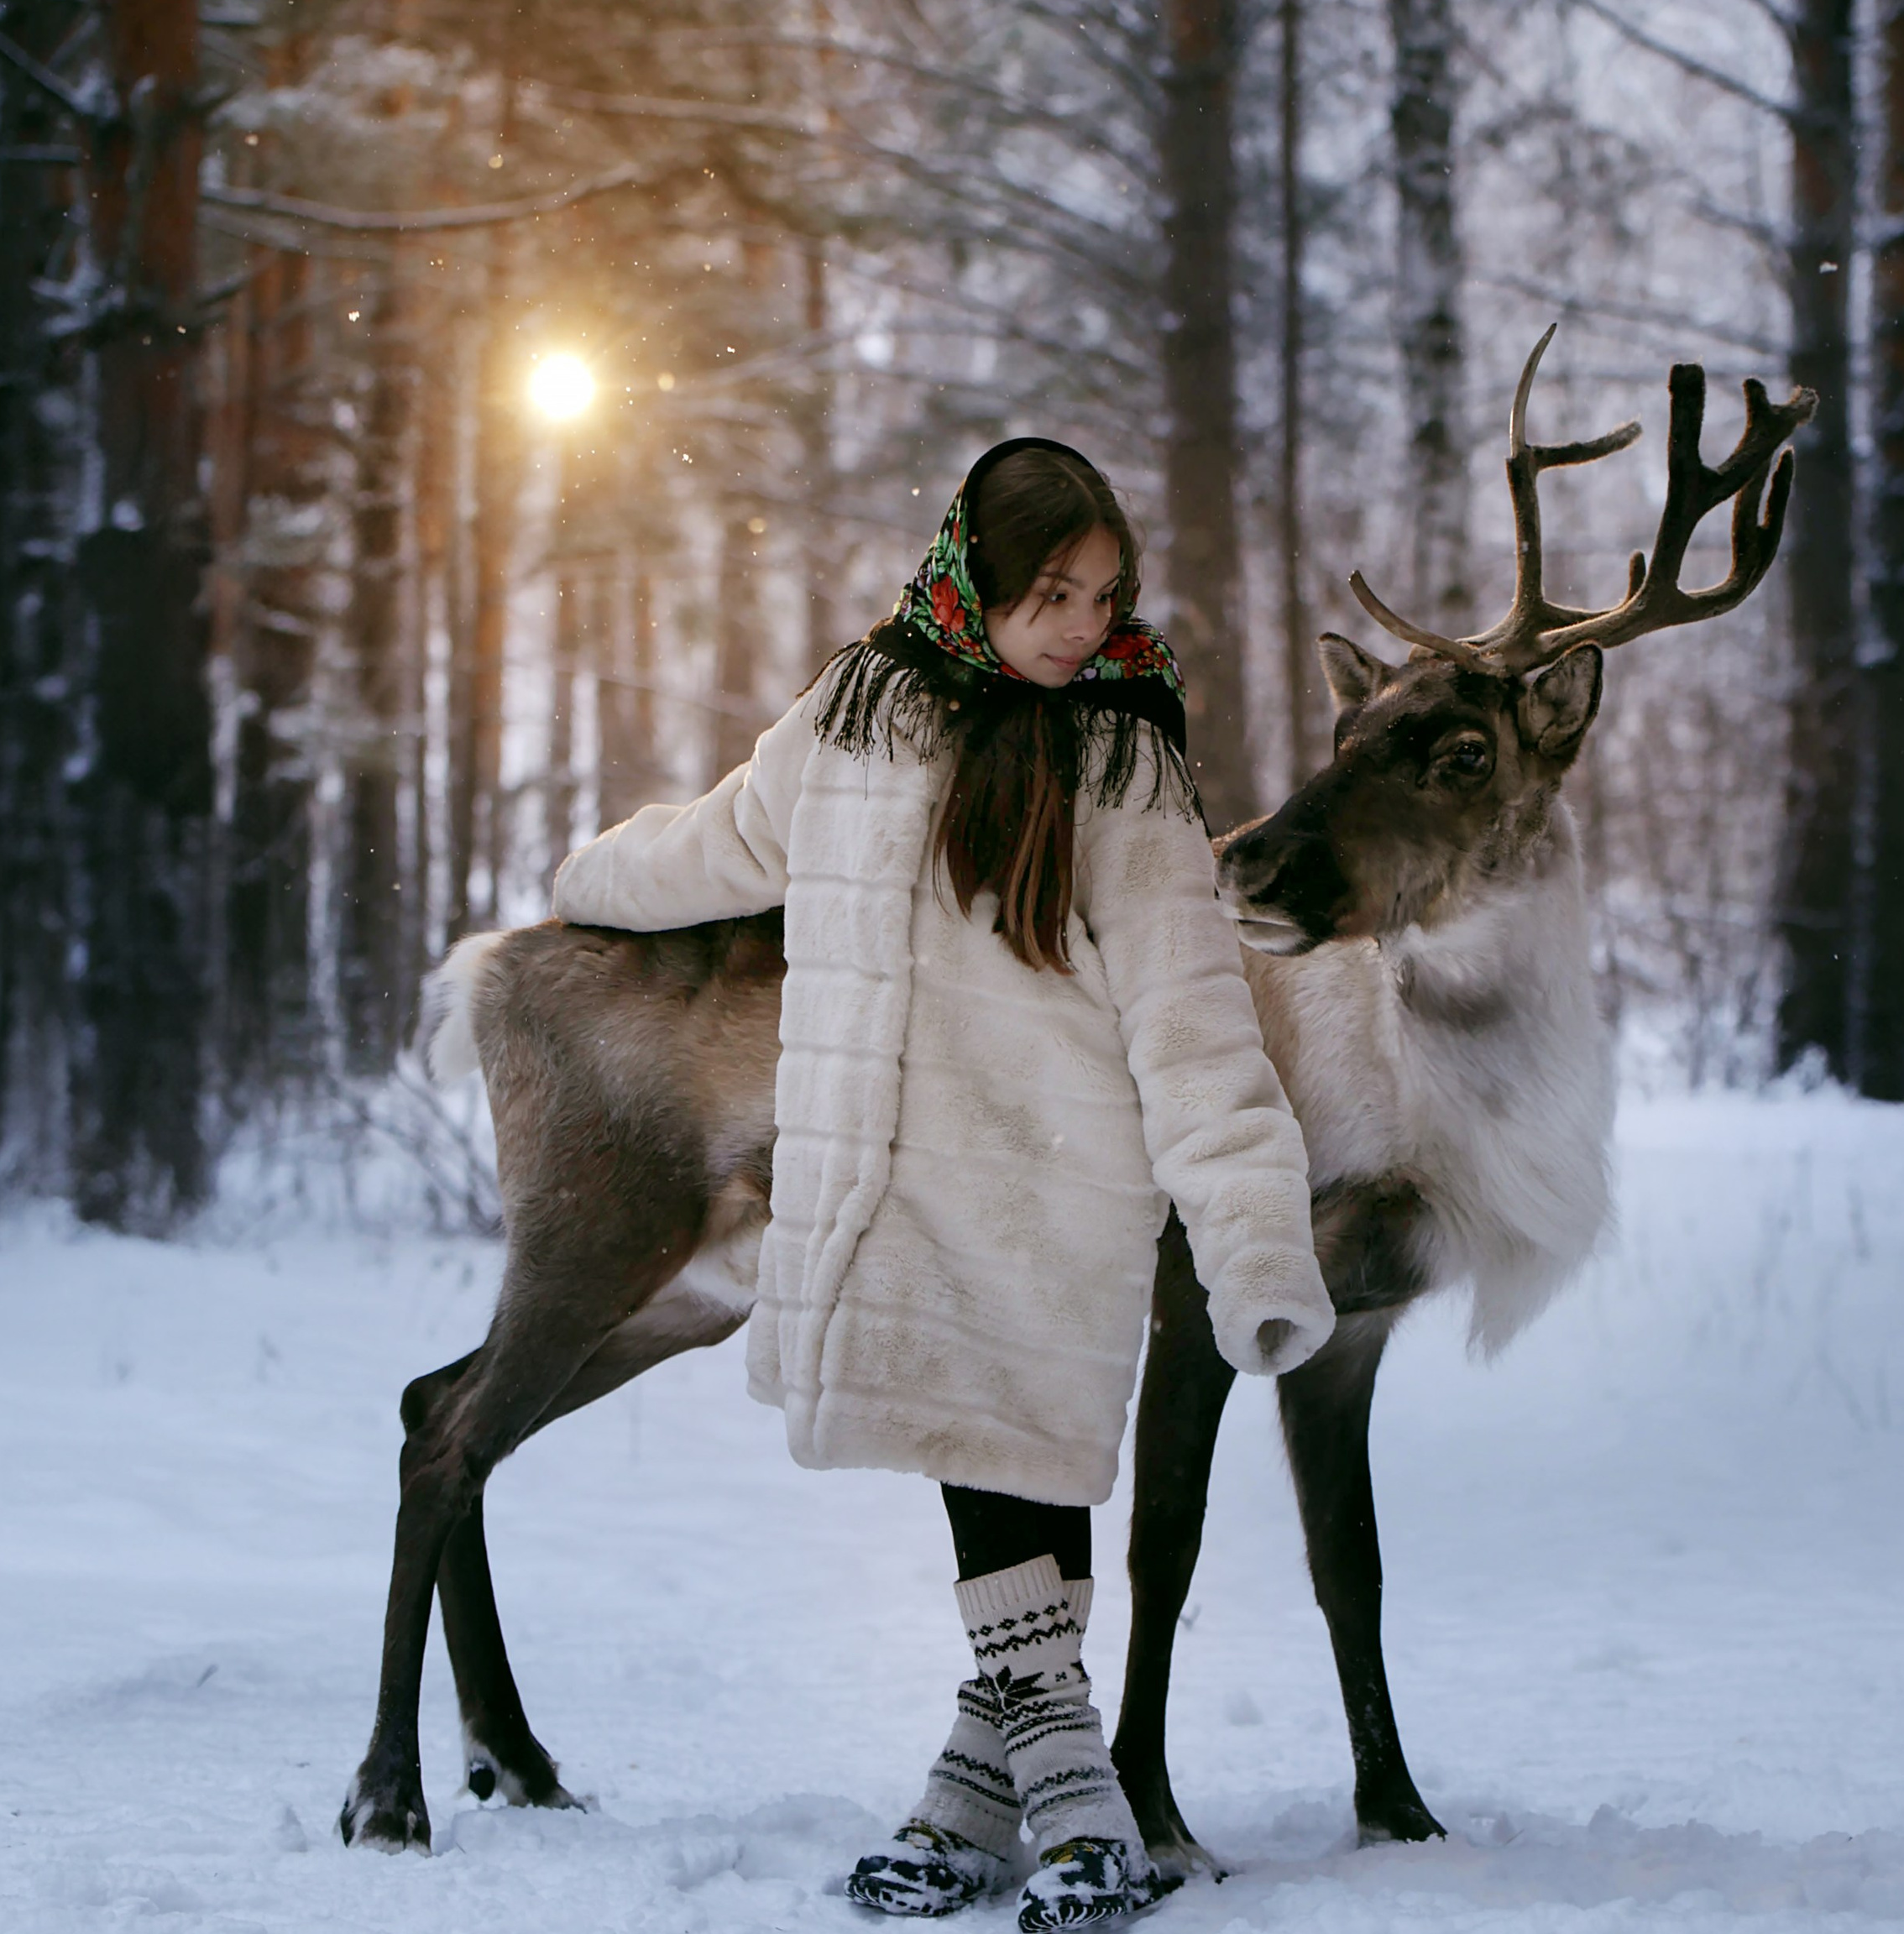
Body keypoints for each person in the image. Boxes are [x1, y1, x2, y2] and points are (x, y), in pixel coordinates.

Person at [551, 438, 1334, 1928]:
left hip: (1060, 1186)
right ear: (978, 573)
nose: (1081, 628)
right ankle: (993, 1797)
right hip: (895, 1182)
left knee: (1017, 1459)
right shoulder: (863, 709)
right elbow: (733, 838)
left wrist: (1250, 1232)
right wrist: (588, 881)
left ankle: (1065, 1798)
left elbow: (1191, 1012)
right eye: (1052, 594)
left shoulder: (1121, 755)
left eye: (1104, 597)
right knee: (988, 1460)